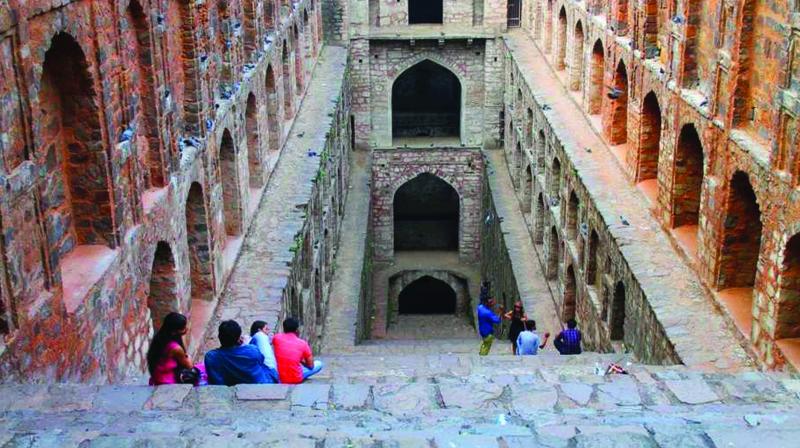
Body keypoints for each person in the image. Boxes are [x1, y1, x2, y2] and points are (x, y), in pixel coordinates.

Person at [204, 320, 277, 386]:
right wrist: (245, 346)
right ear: (239, 338)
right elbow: (261, 360)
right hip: (263, 383)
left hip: (233, 386)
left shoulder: (211, 357)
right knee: (260, 336)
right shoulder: (252, 350)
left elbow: (217, 382)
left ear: (219, 337)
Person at [146, 312, 197, 385]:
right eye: (183, 328)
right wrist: (189, 357)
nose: (186, 329)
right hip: (168, 381)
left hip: (157, 376)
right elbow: (189, 365)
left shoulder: (159, 338)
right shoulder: (175, 348)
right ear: (175, 331)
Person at [272, 317, 323, 384]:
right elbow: (311, 366)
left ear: (284, 328)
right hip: (296, 378)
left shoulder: (276, 338)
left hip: (280, 377)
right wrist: (301, 362)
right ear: (297, 330)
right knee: (319, 364)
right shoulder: (303, 343)